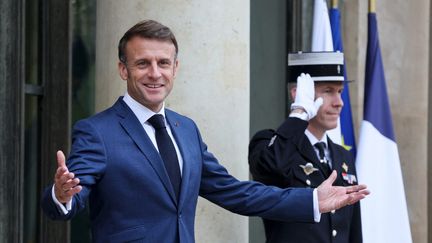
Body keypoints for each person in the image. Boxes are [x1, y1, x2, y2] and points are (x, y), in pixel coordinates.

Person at [41, 21, 368, 243]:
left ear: (175, 68)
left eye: (163, 63)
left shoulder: (186, 130)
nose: (155, 74)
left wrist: (311, 200)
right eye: (143, 64)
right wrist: (63, 194)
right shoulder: (97, 131)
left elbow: (237, 193)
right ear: (123, 69)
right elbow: (71, 196)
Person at [249, 51, 362, 243]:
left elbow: (353, 231)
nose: (339, 103)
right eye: (328, 91)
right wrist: (299, 113)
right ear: (298, 94)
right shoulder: (271, 144)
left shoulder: (342, 155)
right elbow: (270, 165)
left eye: (340, 92)